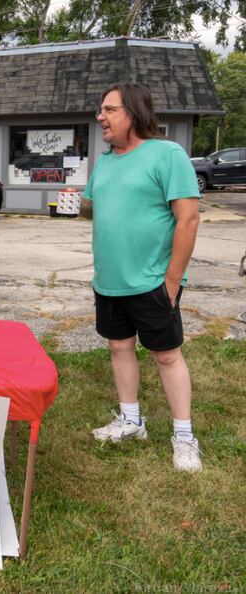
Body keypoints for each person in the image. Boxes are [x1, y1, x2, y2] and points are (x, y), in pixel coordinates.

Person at [81, 82, 202, 472]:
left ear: (133, 112)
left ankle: (184, 436)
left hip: (152, 279)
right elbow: (93, 208)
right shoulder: (105, 161)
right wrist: (77, 202)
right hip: (110, 279)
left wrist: (171, 281)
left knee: (166, 355)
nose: (101, 117)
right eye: (101, 110)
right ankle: (131, 420)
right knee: (119, 348)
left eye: (109, 110)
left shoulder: (167, 154)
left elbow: (189, 218)